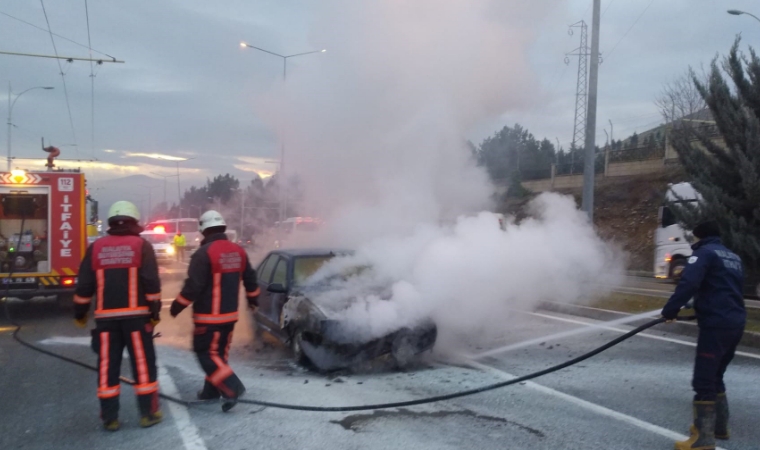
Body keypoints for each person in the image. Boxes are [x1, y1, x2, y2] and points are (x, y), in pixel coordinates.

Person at [73, 201, 163, 431]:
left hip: (106, 323)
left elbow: (84, 286)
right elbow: (151, 284)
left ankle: (110, 418)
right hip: (137, 320)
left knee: (107, 368)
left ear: (111, 222)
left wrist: (80, 314)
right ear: (134, 221)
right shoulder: (141, 246)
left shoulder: (96, 248)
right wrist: (154, 313)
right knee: (143, 366)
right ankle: (148, 414)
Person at [661, 220, 746, 450]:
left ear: (698, 237)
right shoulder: (732, 257)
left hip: (716, 325)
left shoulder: (704, 254)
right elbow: (722, 288)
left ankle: (703, 439)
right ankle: (719, 427)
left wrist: (670, 310)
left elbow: (689, 282)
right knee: (717, 374)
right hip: (735, 322)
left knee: (703, 379)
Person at [169, 210, 259, 412]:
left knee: (205, 354)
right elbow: (251, 280)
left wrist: (177, 306)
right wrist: (253, 300)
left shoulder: (203, 254)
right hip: (230, 317)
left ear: (203, 230)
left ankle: (232, 388)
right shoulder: (238, 251)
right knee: (218, 355)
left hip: (208, 318)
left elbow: (193, 287)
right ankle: (211, 391)